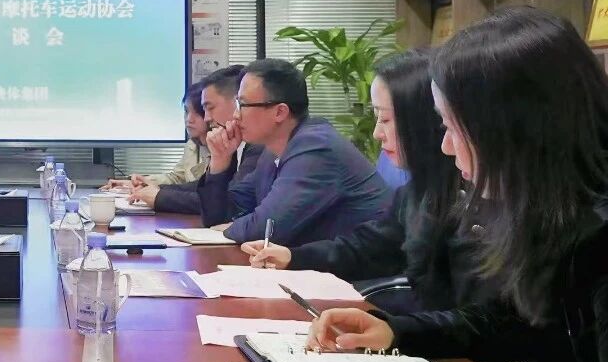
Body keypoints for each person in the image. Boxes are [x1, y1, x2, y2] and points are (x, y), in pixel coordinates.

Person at [307, 8, 608, 362]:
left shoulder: (597, 234)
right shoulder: (550, 212)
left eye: (451, 126)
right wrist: (395, 331)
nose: (445, 147)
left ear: (513, 129)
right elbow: (507, 319)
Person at [238, 49, 480, 313]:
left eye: (385, 119)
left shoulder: (469, 201)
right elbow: (367, 248)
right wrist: (293, 257)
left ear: (424, 120)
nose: (376, 133)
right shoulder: (418, 191)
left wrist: (391, 327)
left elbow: (471, 317)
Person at [199, 58, 393, 245]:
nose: (235, 115)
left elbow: (267, 228)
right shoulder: (271, 152)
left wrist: (230, 228)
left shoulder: (316, 147)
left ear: (280, 112)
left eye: (243, 105)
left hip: (366, 264)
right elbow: (222, 215)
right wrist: (220, 160)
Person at [126, 65, 265, 214]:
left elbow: (231, 202)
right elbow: (204, 190)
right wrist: (156, 189)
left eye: (210, 108)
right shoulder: (232, 144)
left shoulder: (259, 146)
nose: (207, 118)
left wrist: (160, 197)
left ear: (237, 103)